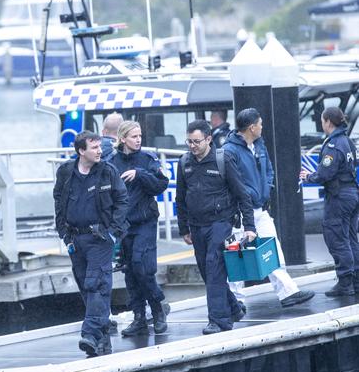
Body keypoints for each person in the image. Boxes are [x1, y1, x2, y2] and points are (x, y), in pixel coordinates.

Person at [224, 108, 315, 307]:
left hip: (261, 209)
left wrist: (267, 187)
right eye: (260, 124)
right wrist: (252, 194)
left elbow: (268, 170)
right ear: (252, 127)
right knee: (238, 256)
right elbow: (234, 182)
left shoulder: (258, 144)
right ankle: (235, 301)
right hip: (240, 213)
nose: (262, 127)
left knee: (272, 249)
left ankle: (288, 292)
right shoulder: (230, 151)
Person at [176, 120, 256, 334]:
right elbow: (180, 198)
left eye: (197, 141)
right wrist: (183, 228)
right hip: (196, 225)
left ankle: (219, 320)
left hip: (220, 222)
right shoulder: (184, 162)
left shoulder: (223, 159)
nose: (192, 146)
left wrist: (249, 226)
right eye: (189, 141)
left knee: (214, 266)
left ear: (209, 139)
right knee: (206, 271)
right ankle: (234, 307)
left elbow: (242, 194)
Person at [53, 130, 128, 356]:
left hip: (100, 239)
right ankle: (103, 339)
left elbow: (122, 201)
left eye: (99, 147)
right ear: (81, 151)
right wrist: (64, 234)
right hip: (75, 239)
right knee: (86, 286)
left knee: (96, 284)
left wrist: (113, 233)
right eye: (94, 147)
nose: (99, 151)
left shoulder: (108, 171)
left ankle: (90, 334)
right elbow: (58, 201)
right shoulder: (66, 172)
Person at [109, 121, 170, 335]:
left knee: (141, 266)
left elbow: (161, 184)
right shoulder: (112, 162)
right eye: (134, 136)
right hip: (124, 225)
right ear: (123, 138)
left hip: (145, 221)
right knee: (130, 271)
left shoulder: (147, 160)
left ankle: (158, 309)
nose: (138, 140)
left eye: (140, 136)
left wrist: (140, 174)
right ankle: (139, 317)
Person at [300, 107, 359, 296]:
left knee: (337, 238)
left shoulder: (334, 145)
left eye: (322, 120)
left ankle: (345, 282)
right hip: (351, 193)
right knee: (350, 238)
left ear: (328, 122)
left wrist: (308, 176)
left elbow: (326, 173)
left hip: (339, 197)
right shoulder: (348, 142)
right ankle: (356, 280)